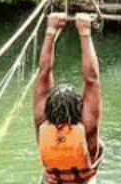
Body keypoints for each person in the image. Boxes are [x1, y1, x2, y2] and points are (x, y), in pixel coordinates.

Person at [34, 13, 104, 184]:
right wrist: (85, 33)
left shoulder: (42, 121)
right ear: (80, 109)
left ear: (48, 109)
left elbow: (44, 72)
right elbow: (91, 79)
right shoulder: (87, 127)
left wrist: (51, 31)